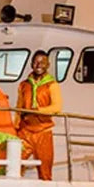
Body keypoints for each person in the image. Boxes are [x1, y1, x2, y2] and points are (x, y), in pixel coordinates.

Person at [16, 50, 63, 180]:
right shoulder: (23, 85)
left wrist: (37, 110)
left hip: (43, 131)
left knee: (45, 170)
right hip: (25, 131)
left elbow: (57, 107)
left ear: (48, 65)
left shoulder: (52, 85)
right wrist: (16, 127)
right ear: (31, 64)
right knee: (15, 165)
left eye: (42, 62)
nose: (39, 64)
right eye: (36, 62)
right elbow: (19, 108)